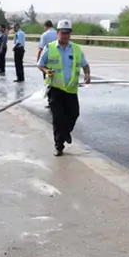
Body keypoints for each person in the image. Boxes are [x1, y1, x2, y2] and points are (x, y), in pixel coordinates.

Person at [37, 20, 91, 156]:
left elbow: (85, 64)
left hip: (71, 90)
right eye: (62, 32)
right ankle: (59, 145)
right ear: (57, 33)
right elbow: (40, 64)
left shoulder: (77, 49)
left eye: (67, 33)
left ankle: (66, 132)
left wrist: (88, 74)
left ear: (70, 33)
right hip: (55, 89)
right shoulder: (50, 48)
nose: (65, 35)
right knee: (58, 118)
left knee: (74, 114)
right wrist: (46, 70)